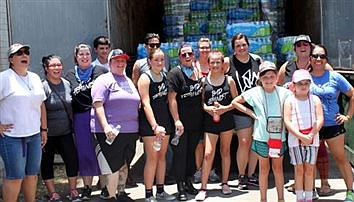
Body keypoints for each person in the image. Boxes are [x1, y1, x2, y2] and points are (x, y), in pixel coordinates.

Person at [277, 34, 332, 198]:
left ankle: (321, 183)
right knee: (300, 163)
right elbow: (278, 86)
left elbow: (331, 82)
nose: (303, 47)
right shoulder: (287, 66)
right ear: (294, 49)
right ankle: (302, 190)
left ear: (310, 47)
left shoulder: (318, 62)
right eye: (299, 44)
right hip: (295, 117)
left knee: (319, 152)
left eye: (306, 44)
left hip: (315, 115)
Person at [232, 61, 291, 202]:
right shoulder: (254, 92)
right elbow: (235, 102)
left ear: (277, 77)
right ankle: (263, 199)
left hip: (278, 138)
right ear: (260, 78)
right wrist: (251, 113)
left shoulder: (284, 92)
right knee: (263, 170)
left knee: (278, 169)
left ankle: (281, 199)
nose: (269, 80)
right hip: (261, 137)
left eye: (272, 76)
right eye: (265, 77)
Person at [90, 49, 140, 201]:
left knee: (124, 164)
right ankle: (111, 196)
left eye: (123, 60)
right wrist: (106, 127)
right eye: (116, 60)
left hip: (130, 130)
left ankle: (121, 192)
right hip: (110, 131)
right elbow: (98, 104)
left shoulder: (128, 81)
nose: (120, 63)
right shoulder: (103, 80)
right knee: (112, 166)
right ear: (110, 62)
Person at [0, 43, 47, 201]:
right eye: (19, 53)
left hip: (34, 135)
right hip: (11, 136)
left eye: (26, 52)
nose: (24, 55)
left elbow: (41, 104)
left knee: (32, 175)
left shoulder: (34, 77)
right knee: (15, 177)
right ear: (11, 59)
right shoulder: (4, 78)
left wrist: (44, 129)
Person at [310, 44, 354, 202]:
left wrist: (347, 116)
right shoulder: (305, 77)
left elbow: (352, 93)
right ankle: (310, 191)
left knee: (341, 158)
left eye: (322, 56)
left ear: (326, 59)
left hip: (332, 124)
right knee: (309, 161)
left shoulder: (334, 77)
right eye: (315, 56)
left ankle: (350, 191)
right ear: (310, 59)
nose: (318, 59)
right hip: (312, 126)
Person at [64, 43, 108, 200]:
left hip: (99, 115)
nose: (84, 57)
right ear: (76, 57)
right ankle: (87, 187)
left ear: (92, 55)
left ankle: (104, 186)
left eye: (87, 54)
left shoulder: (101, 71)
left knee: (101, 151)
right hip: (80, 118)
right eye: (81, 54)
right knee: (84, 152)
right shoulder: (69, 74)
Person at [194, 50, 237, 201]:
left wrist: (225, 108)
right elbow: (201, 102)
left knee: (225, 151)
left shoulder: (229, 80)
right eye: (212, 62)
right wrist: (207, 109)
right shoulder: (204, 81)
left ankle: (225, 183)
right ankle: (203, 187)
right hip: (210, 121)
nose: (215, 65)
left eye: (218, 62)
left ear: (222, 64)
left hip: (226, 120)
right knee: (208, 154)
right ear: (208, 64)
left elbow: (236, 101)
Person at [137, 48, 176, 202]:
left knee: (162, 157)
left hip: (164, 122)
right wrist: (154, 126)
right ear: (149, 61)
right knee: (152, 158)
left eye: (162, 60)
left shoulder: (165, 76)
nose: (160, 62)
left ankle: (160, 191)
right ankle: (148, 194)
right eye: (156, 60)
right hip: (150, 125)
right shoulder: (145, 78)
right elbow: (145, 103)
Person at [41, 55, 81, 202]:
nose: (57, 68)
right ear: (46, 68)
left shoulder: (66, 83)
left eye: (59, 65)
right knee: (47, 162)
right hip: (48, 134)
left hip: (65, 132)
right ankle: (53, 193)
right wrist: (42, 130)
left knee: (72, 159)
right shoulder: (43, 86)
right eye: (53, 66)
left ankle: (73, 190)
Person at [225, 33, 261, 189]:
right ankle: (242, 175)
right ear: (233, 48)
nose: (241, 48)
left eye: (243, 45)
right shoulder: (228, 62)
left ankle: (252, 174)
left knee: (256, 143)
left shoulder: (257, 60)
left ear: (248, 45)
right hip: (240, 108)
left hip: (258, 107)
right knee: (244, 142)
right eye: (238, 45)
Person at [167, 43, 203, 201]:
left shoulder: (197, 71)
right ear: (179, 57)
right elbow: (172, 99)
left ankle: (189, 181)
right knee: (180, 155)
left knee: (190, 153)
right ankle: (180, 185)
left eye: (190, 54)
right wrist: (176, 120)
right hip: (181, 123)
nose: (187, 57)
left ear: (194, 55)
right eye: (184, 55)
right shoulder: (175, 73)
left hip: (196, 122)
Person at [283, 69, 324, 202]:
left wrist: (312, 134)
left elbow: (319, 118)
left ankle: (309, 197)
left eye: (307, 83)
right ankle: (299, 197)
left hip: (312, 138)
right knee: (299, 169)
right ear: (294, 85)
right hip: (295, 140)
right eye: (300, 83)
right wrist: (300, 136)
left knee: (310, 169)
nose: (304, 86)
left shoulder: (315, 99)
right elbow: (287, 121)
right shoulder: (289, 101)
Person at [193, 37, 220, 184]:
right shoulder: (193, 66)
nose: (204, 50)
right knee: (199, 142)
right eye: (202, 47)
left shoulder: (215, 64)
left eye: (207, 47)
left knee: (212, 143)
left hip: (213, 110)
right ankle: (199, 170)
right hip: (197, 110)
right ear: (198, 49)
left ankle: (211, 169)